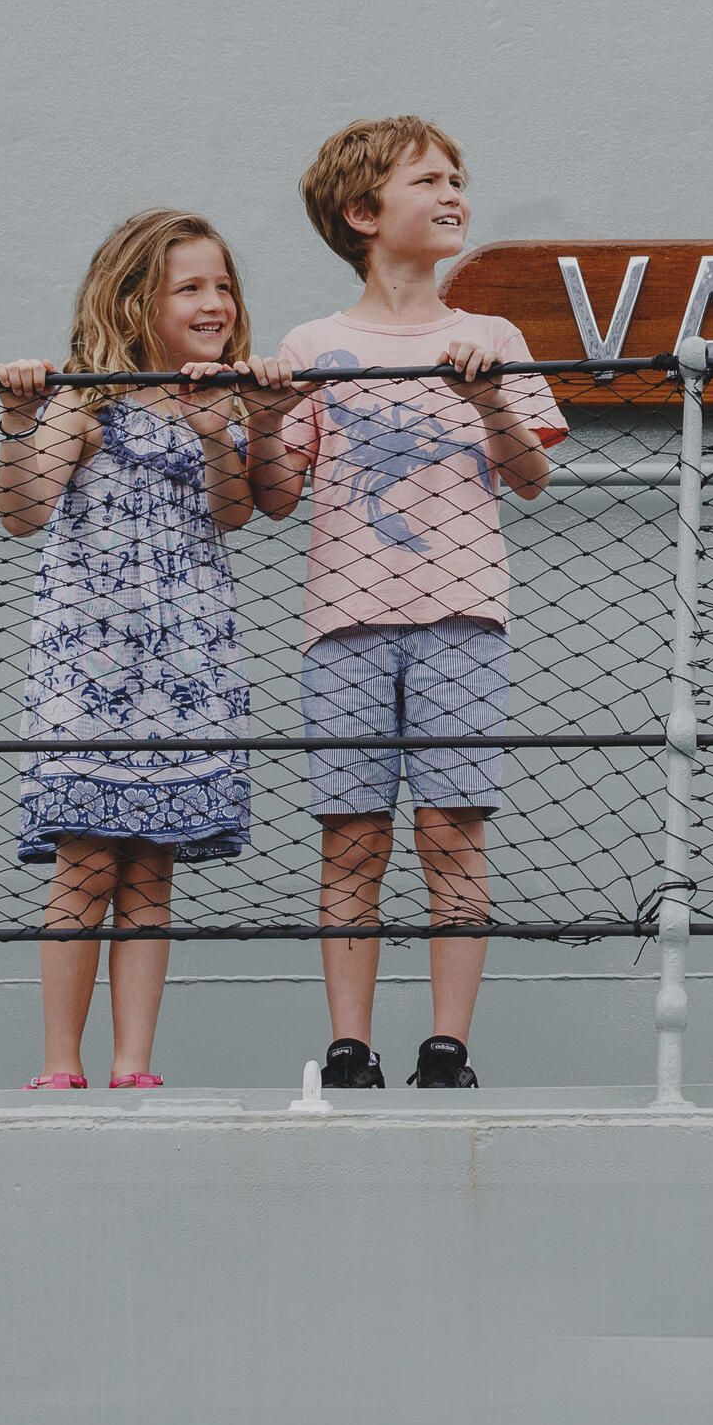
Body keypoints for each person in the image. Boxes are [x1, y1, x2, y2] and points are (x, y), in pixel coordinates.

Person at [239, 117, 565, 1091]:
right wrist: (260, 422)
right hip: (342, 624)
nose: (454, 190)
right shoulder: (312, 344)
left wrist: (492, 403)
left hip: (463, 616)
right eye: (429, 179)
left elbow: (533, 475)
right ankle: (349, 1046)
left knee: (451, 830)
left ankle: (448, 1044)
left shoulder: (489, 338)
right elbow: (275, 493)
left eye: (457, 176)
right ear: (363, 212)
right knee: (352, 835)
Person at [0, 210, 258, 1092]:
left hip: (185, 656)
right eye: (191, 287)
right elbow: (23, 512)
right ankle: (59, 1062)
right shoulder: (85, 401)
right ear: (136, 299)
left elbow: (234, 512)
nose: (215, 301)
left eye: (222, 285)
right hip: (94, 657)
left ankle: (133, 1064)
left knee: (152, 861)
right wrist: (17, 421)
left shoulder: (221, 400)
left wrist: (219, 431)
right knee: (88, 856)